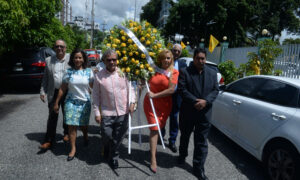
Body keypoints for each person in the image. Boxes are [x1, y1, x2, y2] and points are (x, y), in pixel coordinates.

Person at [177, 48, 219, 180]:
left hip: (204, 114)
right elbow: (182, 89)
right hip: (188, 112)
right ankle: (182, 155)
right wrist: (196, 101)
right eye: (198, 58)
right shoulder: (185, 72)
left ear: (205, 59)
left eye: (203, 58)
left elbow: (215, 90)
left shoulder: (212, 73)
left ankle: (198, 167)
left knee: (201, 142)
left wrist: (205, 102)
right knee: (185, 136)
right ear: (194, 58)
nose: (201, 61)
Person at [92, 49, 136, 169]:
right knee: (106, 135)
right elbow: (95, 95)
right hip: (107, 112)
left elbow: (131, 89)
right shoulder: (99, 76)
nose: (112, 62)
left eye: (114, 59)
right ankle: (106, 146)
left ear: (117, 60)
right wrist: (97, 112)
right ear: (104, 61)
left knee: (119, 136)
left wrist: (132, 102)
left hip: (123, 111)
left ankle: (114, 157)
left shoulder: (124, 73)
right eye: (109, 60)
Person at [53, 49, 94, 161]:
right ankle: (73, 149)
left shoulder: (89, 72)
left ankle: (85, 135)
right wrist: (56, 102)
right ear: (72, 59)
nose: (77, 60)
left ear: (84, 59)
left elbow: (92, 88)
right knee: (71, 126)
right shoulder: (68, 72)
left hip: (85, 103)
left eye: (80, 57)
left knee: (83, 125)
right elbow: (63, 88)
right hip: (70, 102)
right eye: (75, 57)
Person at [143, 49, 179, 173]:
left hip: (164, 105)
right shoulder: (153, 70)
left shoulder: (174, 72)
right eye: (164, 58)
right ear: (160, 59)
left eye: (169, 58)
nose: (167, 60)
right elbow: (145, 82)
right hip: (151, 104)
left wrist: (155, 95)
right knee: (154, 129)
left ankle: (153, 149)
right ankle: (153, 158)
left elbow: (171, 90)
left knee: (158, 128)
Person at [39, 39, 69, 150]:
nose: (59, 48)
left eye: (61, 46)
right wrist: (43, 91)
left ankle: (67, 133)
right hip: (54, 92)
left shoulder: (71, 59)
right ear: (54, 48)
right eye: (57, 46)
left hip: (68, 92)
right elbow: (45, 78)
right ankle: (48, 140)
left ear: (65, 48)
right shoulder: (48, 60)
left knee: (67, 114)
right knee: (52, 116)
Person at [168, 44, 187, 153]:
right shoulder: (164, 61)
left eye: (178, 51)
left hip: (176, 95)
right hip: (164, 94)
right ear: (171, 50)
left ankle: (172, 140)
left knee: (174, 117)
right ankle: (160, 134)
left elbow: (185, 79)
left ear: (180, 53)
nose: (176, 53)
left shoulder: (183, 64)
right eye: (174, 50)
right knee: (163, 116)